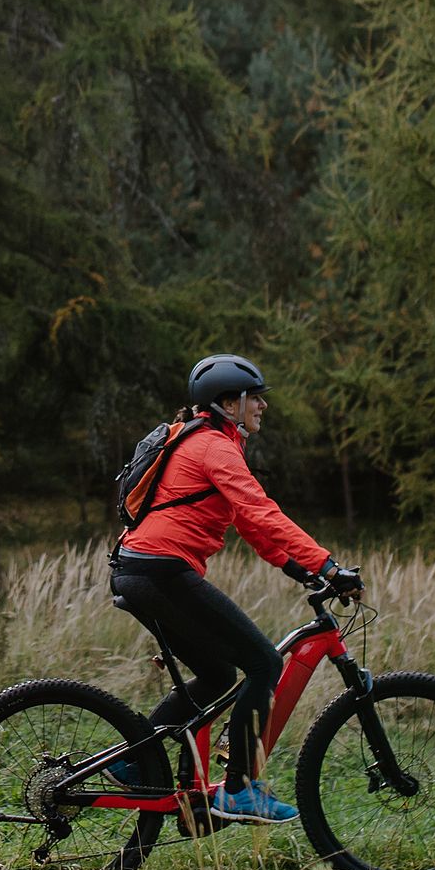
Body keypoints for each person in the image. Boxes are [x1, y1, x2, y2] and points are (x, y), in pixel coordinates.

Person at [110, 353, 362, 824]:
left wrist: (297, 568)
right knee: (264, 662)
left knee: (220, 674)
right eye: (255, 398)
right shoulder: (213, 447)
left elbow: (251, 526)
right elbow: (264, 512)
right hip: (159, 572)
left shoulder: (210, 444)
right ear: (229, 403)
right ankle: (241, 789)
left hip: (141, 570)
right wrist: (327, 566)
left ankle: (135, 758)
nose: (263, 406)